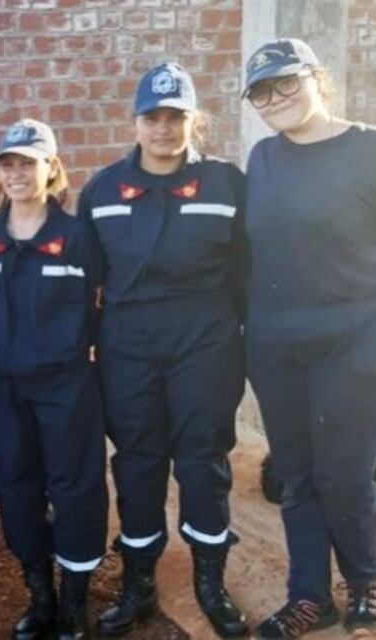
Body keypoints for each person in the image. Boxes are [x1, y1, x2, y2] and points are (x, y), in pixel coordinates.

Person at [77, 63, 249, 638]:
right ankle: (139, 585)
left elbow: (245, 273)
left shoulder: (227, 183)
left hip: (205, 341)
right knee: (138, 463)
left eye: (176, 116)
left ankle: (209, 583)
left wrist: (238, 337)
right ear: (136, 121)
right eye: (153, 117)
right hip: (129, 345)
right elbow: (88, 283)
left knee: (203, 462)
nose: (164, 128)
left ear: (192, 119)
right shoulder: (102, 191)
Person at [241, 38, 376, 638]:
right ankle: (309, 598)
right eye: (263, 93)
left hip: (352, 340)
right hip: (276, 347)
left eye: (287, 83)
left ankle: (367, 585)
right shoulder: (263, 159)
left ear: (319, 79)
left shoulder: (367, 148)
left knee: (345, 473)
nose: (276, 99)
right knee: (296, 474)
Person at [0, 119, 107, 640]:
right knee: (16, 489)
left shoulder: (77, 238)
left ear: (51, 168)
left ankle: (74, 604)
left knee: (76, 489)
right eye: (8, 164)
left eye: (28, 162)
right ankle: (40, 597)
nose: (17, 173)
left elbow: (99, 310)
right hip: (2, 390)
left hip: (66, 386)